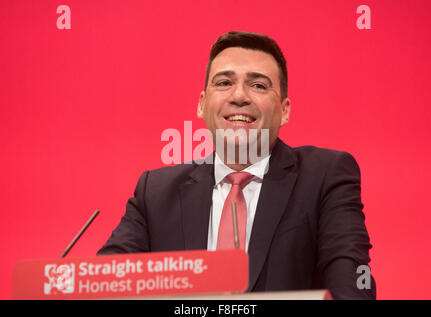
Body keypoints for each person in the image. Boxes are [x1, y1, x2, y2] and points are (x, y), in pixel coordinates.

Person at [97, 31, 376, 300]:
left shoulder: (324, 176)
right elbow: (104, 285)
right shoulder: (156, 192)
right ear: (202, 104)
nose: (239, 96)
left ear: (284, 110)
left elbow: (351, 285)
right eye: (223, 83)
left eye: (258, 85)